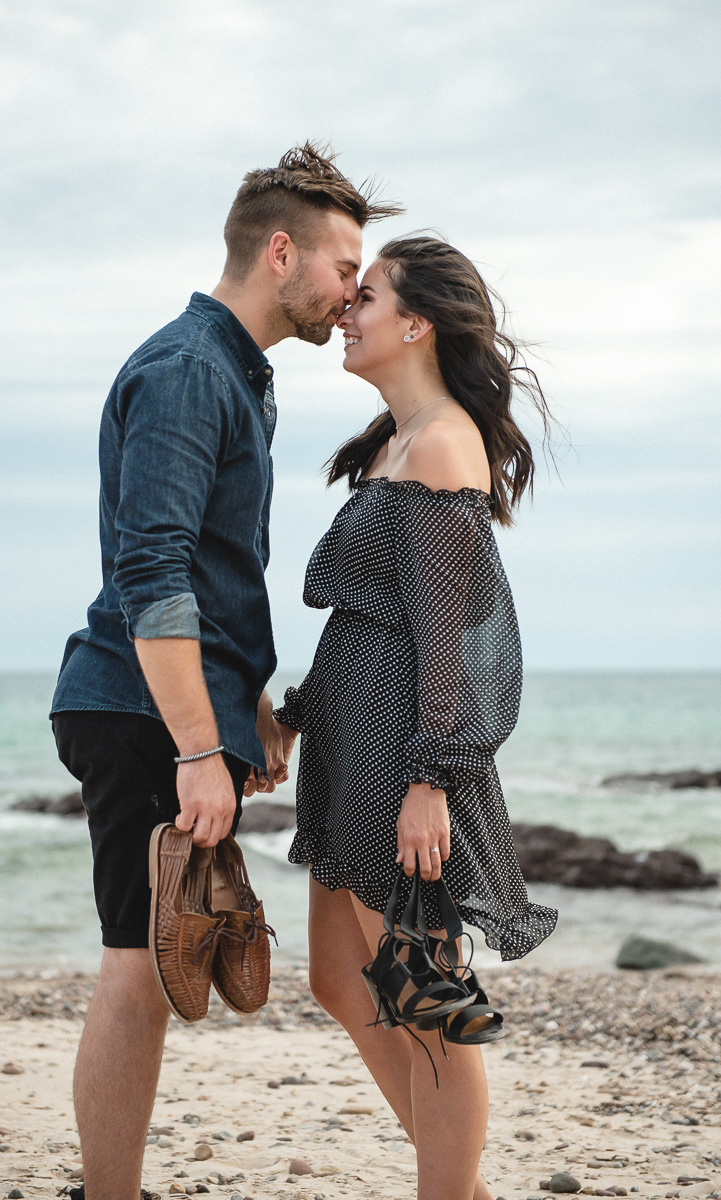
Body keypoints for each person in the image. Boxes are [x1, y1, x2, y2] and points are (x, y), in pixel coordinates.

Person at [49, 143, 401, 1200]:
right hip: (136, 707)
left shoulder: (235, 372)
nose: (351, 296)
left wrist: (243, 692)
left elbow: (207, 568)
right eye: (344, 266)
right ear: (279, 250)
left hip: (166, 702)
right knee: (137, 968)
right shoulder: (192, 370)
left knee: (152, 964)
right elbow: (150, 566)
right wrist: (201, 744)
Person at [273, 236, 559, 1200]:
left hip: (404, 756)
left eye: (367, 298)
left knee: (424, 1000)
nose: (346, 314)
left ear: (415, 322)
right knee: (338, 981)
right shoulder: (393, 444)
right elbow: (372, 619)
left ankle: (448, 1191)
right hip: (351, 747)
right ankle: (461, 1185)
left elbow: (459, 637)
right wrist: (298, 715)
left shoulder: (440, 445)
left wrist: (431, 778)